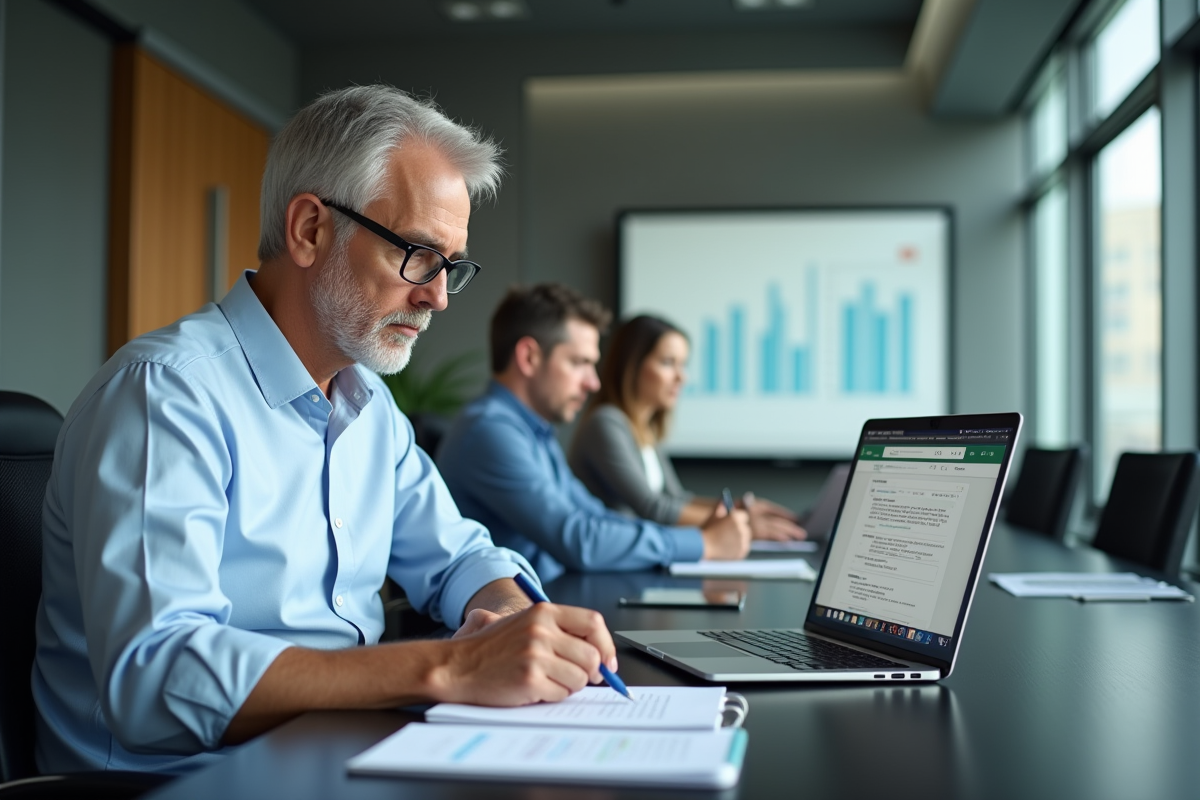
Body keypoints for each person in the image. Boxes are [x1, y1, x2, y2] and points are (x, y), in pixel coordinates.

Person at [34, 86, 616, 775]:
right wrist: (449, 666)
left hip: (334, 754)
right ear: (310, 229)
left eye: (450, 266)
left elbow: (459, 559)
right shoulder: (166, 394)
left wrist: (519, 623)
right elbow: (157, 679)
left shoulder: (368, 405)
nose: (437, 296)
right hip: (184, 785)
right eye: (418, 254)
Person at [437, 284, 751, 582]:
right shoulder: (490, 432)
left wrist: (694, 539)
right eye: (579, 363)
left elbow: (592, 516)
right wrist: (702, 543)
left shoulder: (534, 431)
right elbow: (578, 539)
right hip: (504, 623)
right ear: (529, 357)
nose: (593, 383)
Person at [568, 314, 806, 540]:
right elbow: (653, 507)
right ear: (632, 366)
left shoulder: (643, 429)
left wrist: (740, 507)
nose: (682, 377)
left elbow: (676, 498)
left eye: (683, 364)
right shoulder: (606, 422)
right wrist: (743, 524)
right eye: (668, 363)